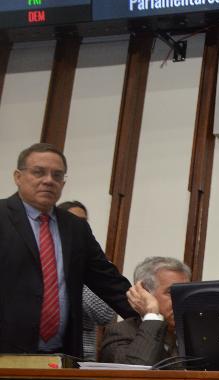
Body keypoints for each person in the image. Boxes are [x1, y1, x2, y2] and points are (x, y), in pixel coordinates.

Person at [0, 143, 134, 357]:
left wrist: (151, 315)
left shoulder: (76, 227)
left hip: (62, 355)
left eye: (57, 175)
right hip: (6, 354)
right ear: (18, 177)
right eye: (38, 172)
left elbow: (109, 282)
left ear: (63, 182)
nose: (48, 180)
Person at [99, 257, 191, 365]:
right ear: (144, 293)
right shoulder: (121, 332)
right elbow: (134, 370)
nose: (182, 300)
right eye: (171, 292)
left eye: (185, 292)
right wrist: (152, 314)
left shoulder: (192, 333)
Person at [58, 200, 118, 361]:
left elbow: (105, 315)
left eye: (82, 222)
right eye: (71, 220)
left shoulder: (96, 264)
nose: (77, 226)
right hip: (39, 353)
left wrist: (75, 274)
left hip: (81, 357)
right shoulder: (45, 259)